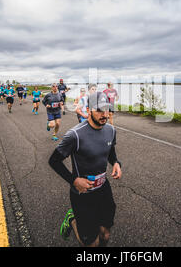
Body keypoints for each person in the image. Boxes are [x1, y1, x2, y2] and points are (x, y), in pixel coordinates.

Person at [49, 92, 122, 247]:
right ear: (88, 110)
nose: (104, 114)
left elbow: (110, 150)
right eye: (99, 110)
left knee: (106, 235)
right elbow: (53, 161)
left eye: (107, 110)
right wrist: (74, 181)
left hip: (103, 189)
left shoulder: (111, 130)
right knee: (92, 243)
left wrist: (116, 163)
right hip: (82, 193)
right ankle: (73, 220)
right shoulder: (74, 135)